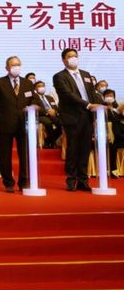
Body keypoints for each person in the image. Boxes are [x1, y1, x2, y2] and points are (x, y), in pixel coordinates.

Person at [0, 56, 39, 193]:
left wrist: (34, 106)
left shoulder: (27, 83)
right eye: (13, 65)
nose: (16, 67)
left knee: (25, 155)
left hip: (24, 125)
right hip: (4, 124)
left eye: (18, 64)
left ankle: (24, 182)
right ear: (7, 67)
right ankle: (8, 182)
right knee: (5, 155)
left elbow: (34, 100)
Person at [53, 48, 100, 192]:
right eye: (70, 56)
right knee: (73, 149)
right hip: (72, 117)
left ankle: (83, 181)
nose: (73, 58)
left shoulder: (86, 74)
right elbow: (68, 95)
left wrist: (95, 110)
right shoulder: (59, 76)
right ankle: (71, 180)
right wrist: (88, 105)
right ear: (64, 60)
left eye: (75, 56)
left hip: (87, 116)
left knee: (85, 149)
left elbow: (92, 94)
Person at [34, 80, 61, 148]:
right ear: (35, 88)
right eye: (39, 86)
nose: (41, 87)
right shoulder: (34, 98)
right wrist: (47, 112)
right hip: (42, 115)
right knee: (48, 123)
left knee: (61, 123)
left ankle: (49, 140)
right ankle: (52, 143)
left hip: (53, 115)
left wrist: (55, 111)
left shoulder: (50, 97)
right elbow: (36, 108)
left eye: (43, 86)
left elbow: (55, 107)